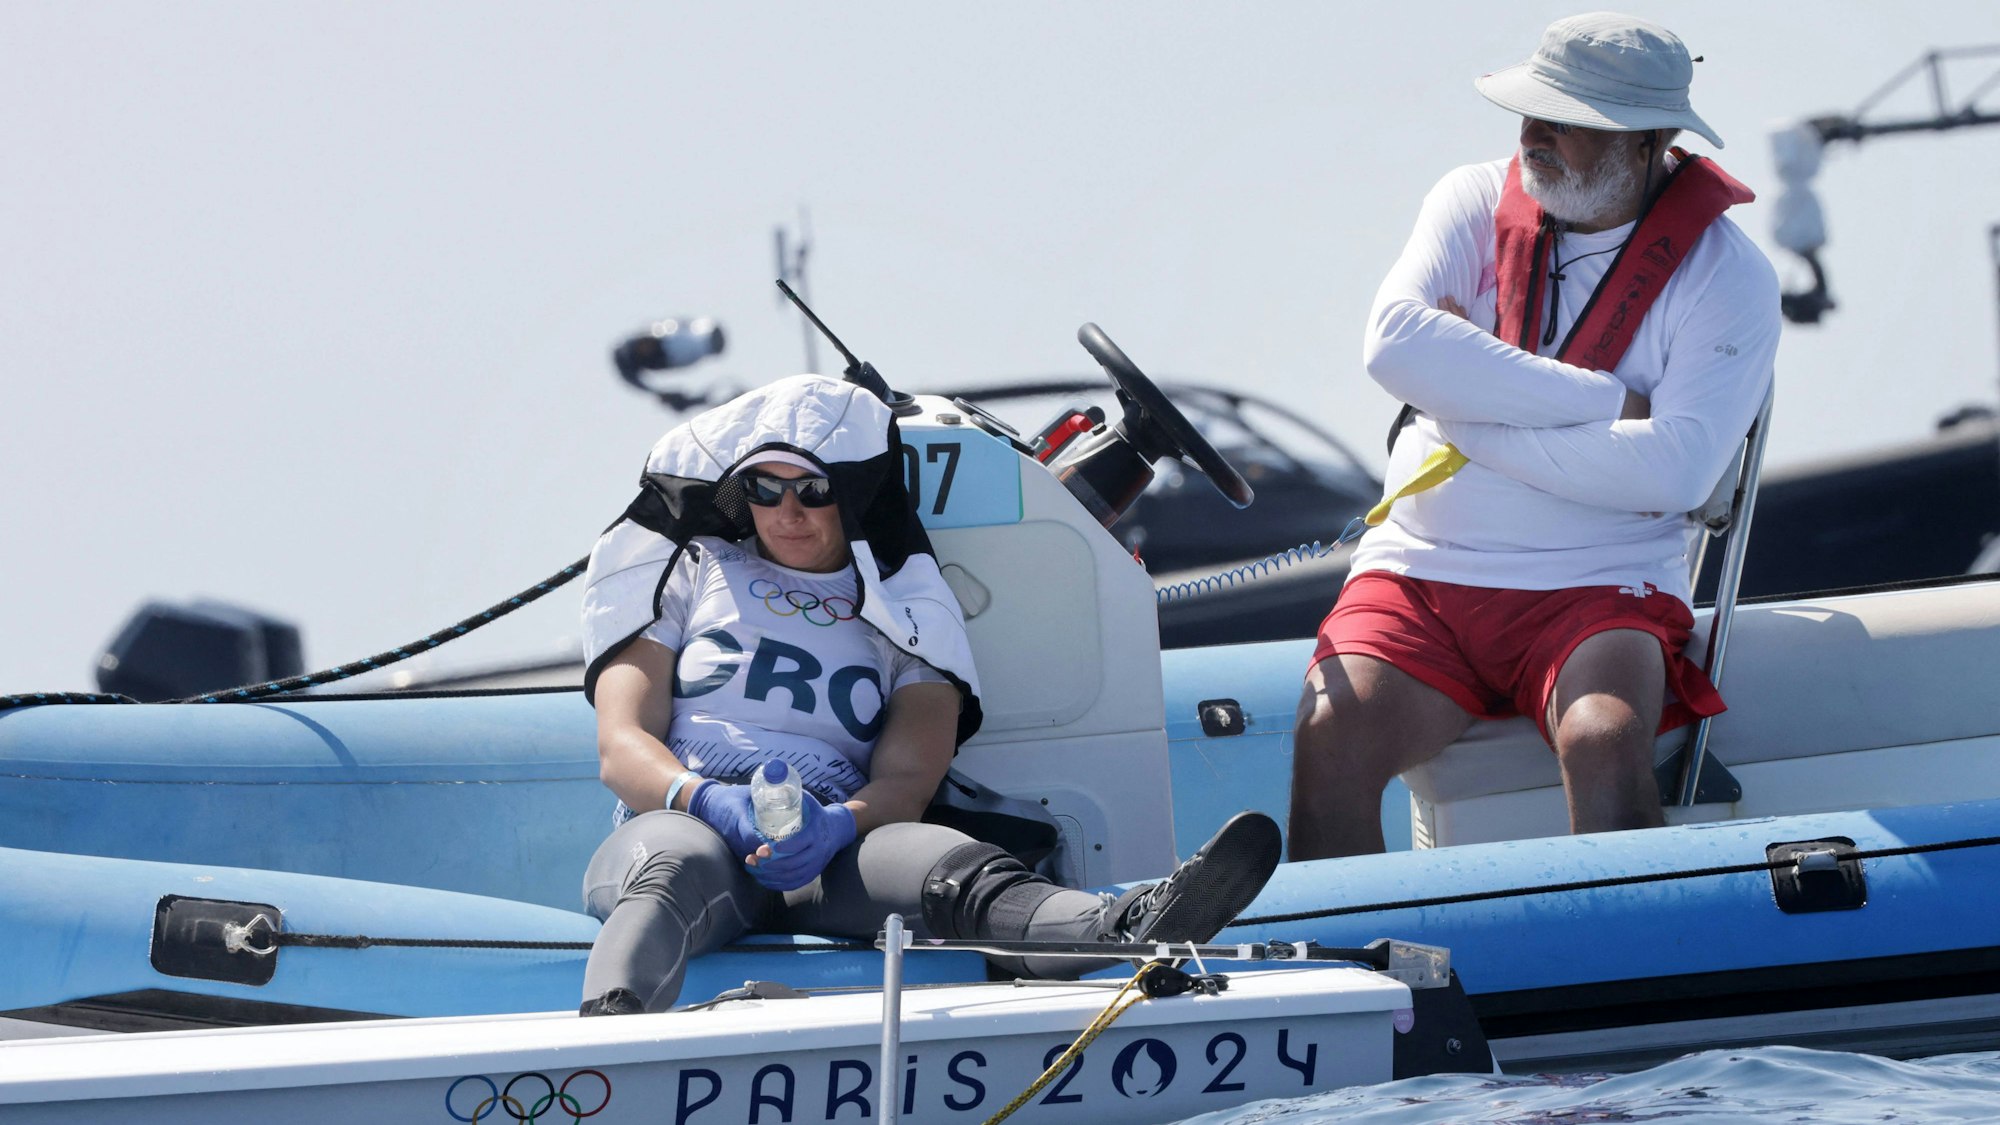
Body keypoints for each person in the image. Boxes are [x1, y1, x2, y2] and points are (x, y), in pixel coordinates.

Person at [578, 373, 1281, 1014]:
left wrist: (834, 825)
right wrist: (705, 798)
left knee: (956, 868)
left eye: (813, 490)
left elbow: (908, 781)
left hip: (833, 839)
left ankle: (1128, 924)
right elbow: (622, 743)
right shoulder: (689, 569)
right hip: (687, 816)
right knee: (673, 868)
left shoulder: (909, 609)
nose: (787, 511)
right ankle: (603, 1048)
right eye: (765, 488)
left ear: (853, 492)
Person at [1289, 13, 1780, 858]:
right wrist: (1603, 402)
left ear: (1650, 143)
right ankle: (1343, 983)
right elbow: (1395, 346)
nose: (1535, 135)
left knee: (1602, 737)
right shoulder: (1470, 195)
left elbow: (1675, 471)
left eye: (1569, 120)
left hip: (1598, 587)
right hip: (1421, 572)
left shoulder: (1730, 274)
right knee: (1329, 729)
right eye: (1531, 110)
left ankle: (1629, 977)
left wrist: (1463, 410)